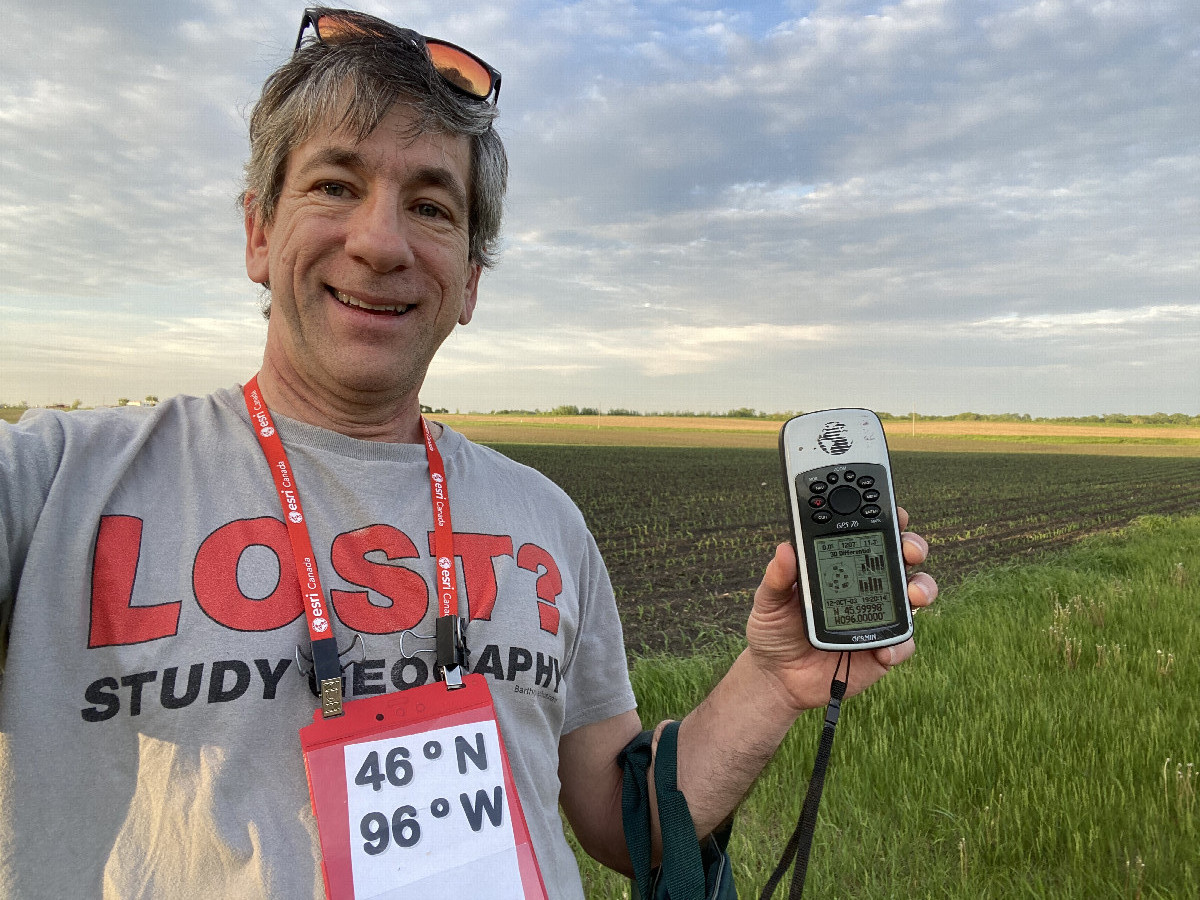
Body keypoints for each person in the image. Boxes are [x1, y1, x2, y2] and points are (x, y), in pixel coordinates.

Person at [0, 8, 937, 898]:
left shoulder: (544, 520)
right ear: (258, 231)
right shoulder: (58, 484)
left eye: (432, 207)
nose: (380, 242)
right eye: (335, 185)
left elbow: (622, 819)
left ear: (470, 284)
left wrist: (771, 682)